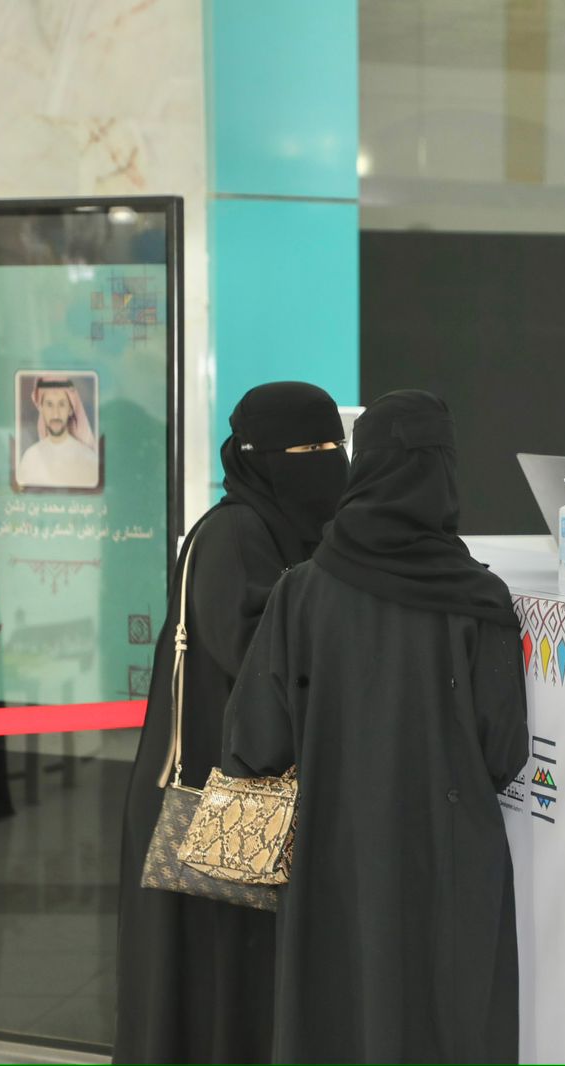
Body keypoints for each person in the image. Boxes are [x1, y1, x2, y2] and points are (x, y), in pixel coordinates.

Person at [221, 390, 528, 1063]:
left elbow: (254, 741)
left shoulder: (301, 590)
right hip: (449, 859)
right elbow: (502, 751)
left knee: (335, 1018)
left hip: (330, 856)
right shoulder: (479, 599)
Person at [115, 382, 349, 1064]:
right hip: (213, 805)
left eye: (334, 446)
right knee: (217, 983)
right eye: (308, 451)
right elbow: (260, 660)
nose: (327, 463)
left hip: (235, 801)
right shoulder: (238, 535)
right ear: (259, 457)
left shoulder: (274, 531)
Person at [16, 376, 98, 488]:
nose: (55, 414)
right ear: (41, 408)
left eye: (62, 404)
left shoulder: (88, 459)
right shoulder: (30, 458)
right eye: (49, 405)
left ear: (70, 409)